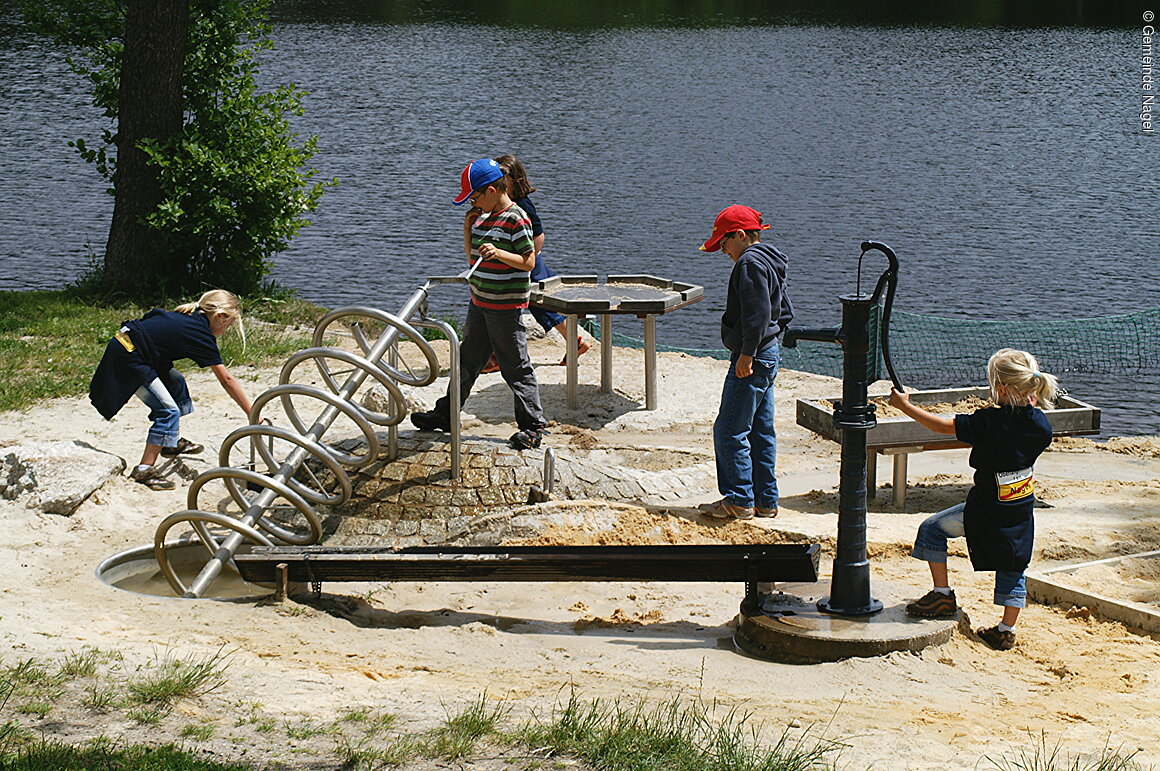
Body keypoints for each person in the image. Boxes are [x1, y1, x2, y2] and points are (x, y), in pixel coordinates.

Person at [890, 348, 1059, 651]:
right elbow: (1022, 425)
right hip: (1019, 509)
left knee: (932, 529)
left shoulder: (989, 423)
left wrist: (905, 407)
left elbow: (942, 426)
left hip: (984, 510)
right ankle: (1006, 629)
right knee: (1015, 562)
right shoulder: (1040, 425)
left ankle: (942, 595)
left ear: (1002, 388)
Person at [410, 158, 549, 450]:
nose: (471, 203)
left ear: (491, 190)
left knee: (515, 365)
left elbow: (529, 261)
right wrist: (467, 226)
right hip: (480, 301)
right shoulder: (482, 218)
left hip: (506, 307)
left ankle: (533, 425)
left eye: (473, 197)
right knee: (467, 361)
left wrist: (499, 253)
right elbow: (473, 260)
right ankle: (447, 414)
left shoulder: (516, 217)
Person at [89, 289, 253, 490]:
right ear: (219, 317)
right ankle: (144, 469)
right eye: (229, 323)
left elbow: (151, 319)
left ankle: (170, 442)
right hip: (130, 358)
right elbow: (227, 380)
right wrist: (252, 414)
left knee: (176, 383)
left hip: (131, 346)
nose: (228, 328)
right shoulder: (200, 333)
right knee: (168, 411)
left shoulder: (189, 317)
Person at [696, 205, 794, 520]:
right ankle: (766, 500)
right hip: (770, 351)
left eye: (724, 243)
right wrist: (768, 344)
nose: (723, 250)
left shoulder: (749, 263)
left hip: (753, 355)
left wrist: (747, 353)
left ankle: (739, 499)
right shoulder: (771, 260)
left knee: (729, 429)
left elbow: (757, 314)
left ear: (740, 235)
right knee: (760, 430)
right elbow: (784, 311)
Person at [480, 154, 589, 373]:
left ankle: (498, 355)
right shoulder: (503, 202)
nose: (497, 179)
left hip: (522, 262)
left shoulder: (521, 205)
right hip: (514, 260)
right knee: (538, 303)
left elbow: (538, 234)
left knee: (516, 303)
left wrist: (529, 255)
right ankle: (574, 341)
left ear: (515, 179)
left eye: (503, 175)